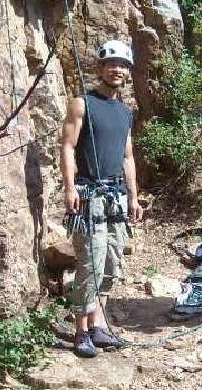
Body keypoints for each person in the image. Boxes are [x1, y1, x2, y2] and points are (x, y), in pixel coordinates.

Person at [60, 39, 144, 358]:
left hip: (116, 196)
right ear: (100, 68)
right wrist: (70, 188)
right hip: (89, 193)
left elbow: (127, 157)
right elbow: (67, 146)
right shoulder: (82, 103)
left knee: (111, 261)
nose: (117, 69)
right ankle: (81, 331)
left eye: (123, 65)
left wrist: (133, 197)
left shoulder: (125, 112)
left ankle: (98, 326)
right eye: (112, 64)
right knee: (91, 260)